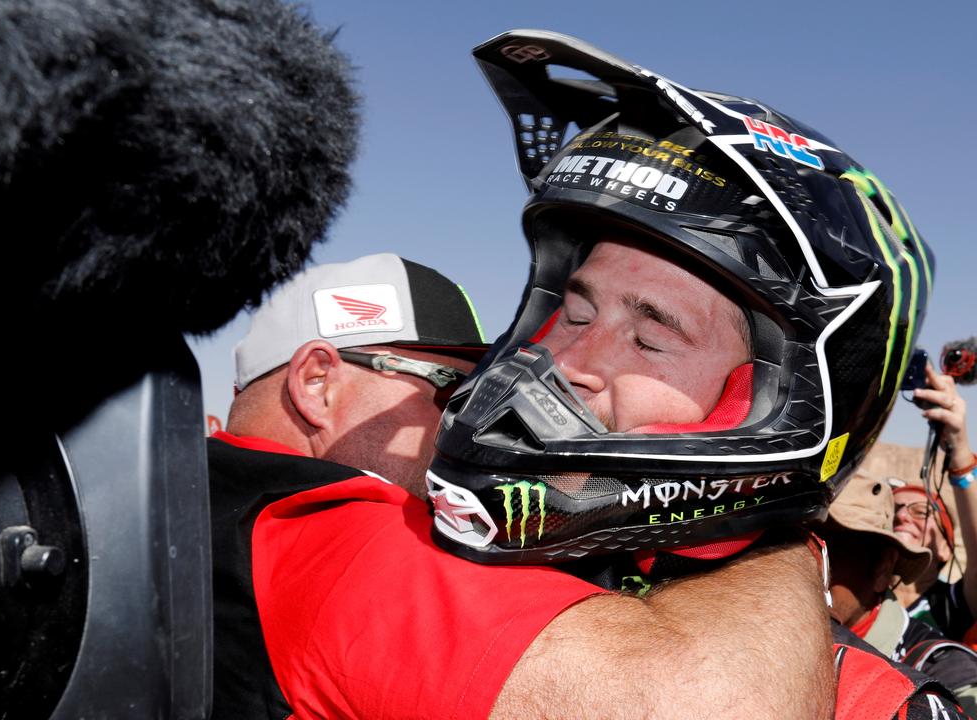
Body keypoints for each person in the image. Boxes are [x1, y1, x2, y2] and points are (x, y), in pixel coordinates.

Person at [217, 30, 961, 720]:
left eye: (650, 335)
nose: (562, 362)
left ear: (776, 403)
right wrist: (778, 529)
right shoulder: (312, 527)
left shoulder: (869, 684)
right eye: (572, 314)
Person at [821, 469, 977, 713]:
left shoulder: (944, 652)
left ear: (885, 566)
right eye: (896, 510)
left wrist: (961, 463)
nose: (903, 516)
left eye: (829, 550)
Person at [893, 363, 977, 644]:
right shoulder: (851, 598)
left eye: (921, 511)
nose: (902, 516)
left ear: (945, 548)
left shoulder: (951, 607)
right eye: (893, 510)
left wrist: (960, 448)